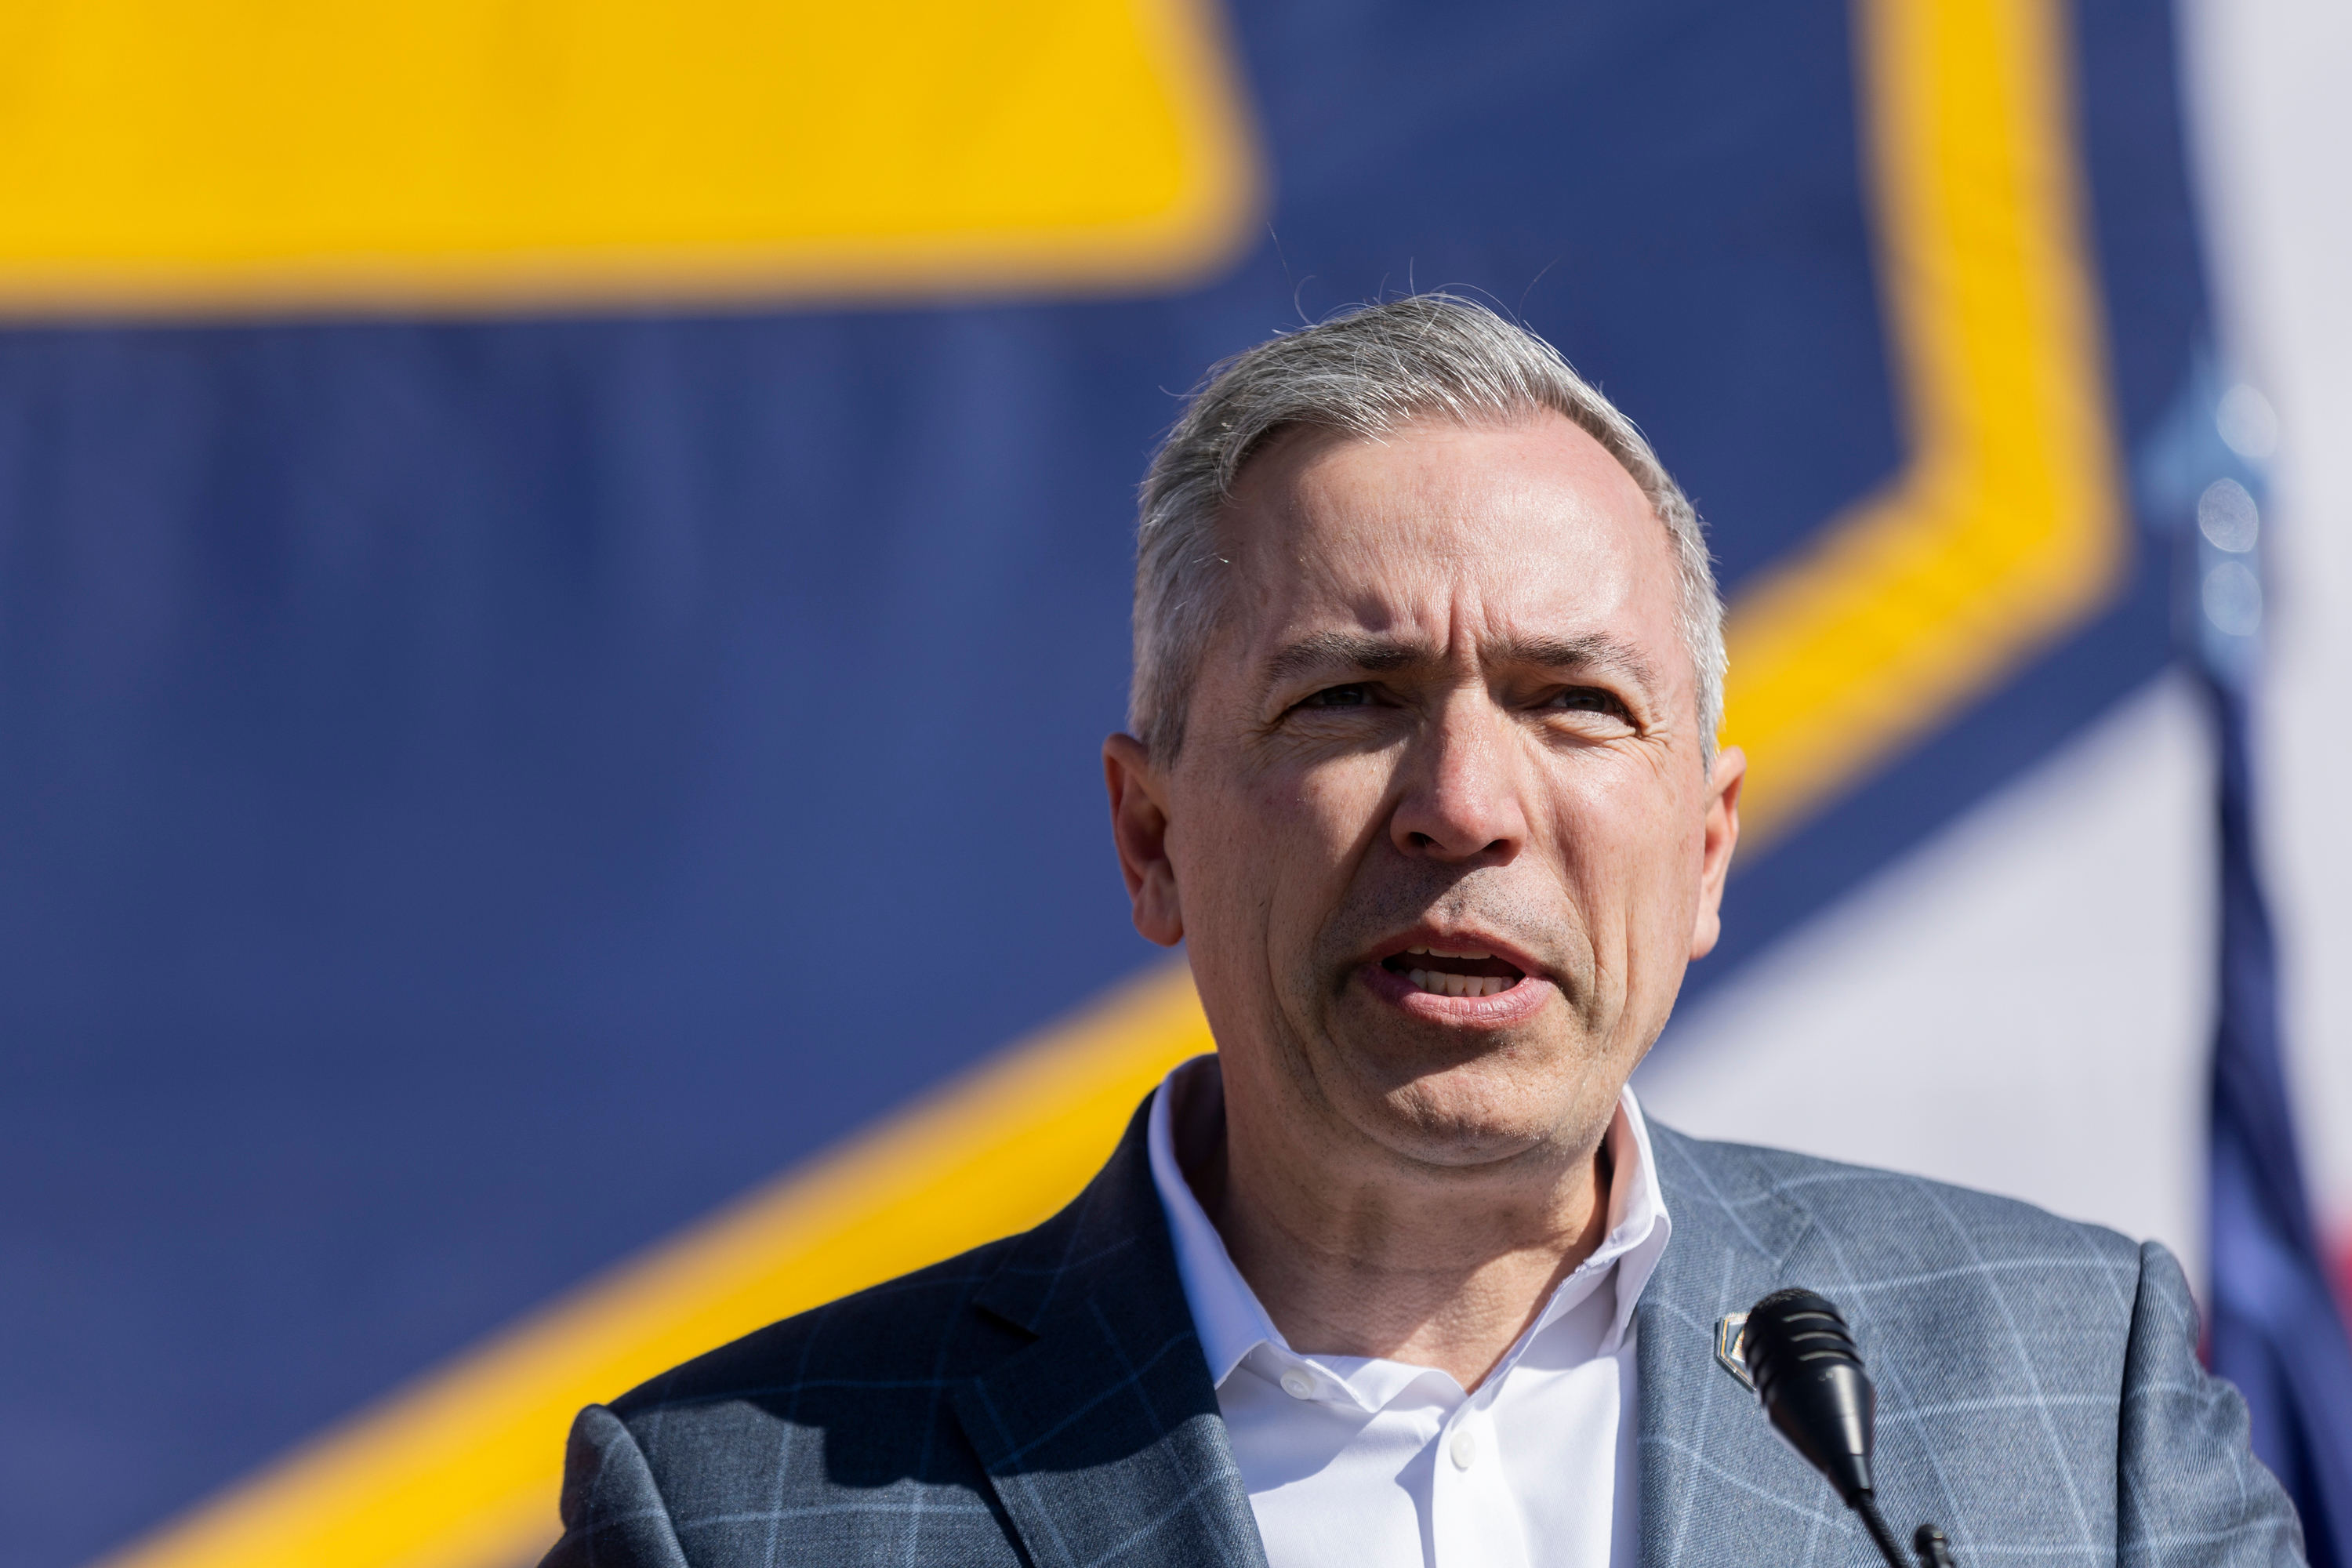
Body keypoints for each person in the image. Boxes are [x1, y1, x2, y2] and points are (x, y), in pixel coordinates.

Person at [542, 296, 2303, 1567]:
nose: (1463, 799)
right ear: (1149, 834)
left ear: (1706, 849)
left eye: (1572, 702)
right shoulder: (735, 1511)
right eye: (1351, 696)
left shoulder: (2081, 1393)